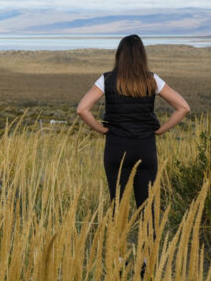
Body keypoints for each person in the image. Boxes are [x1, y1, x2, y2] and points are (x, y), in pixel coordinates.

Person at [76, 34, 190, 212]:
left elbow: (82, 109)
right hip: (145, 147)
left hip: (116, 147)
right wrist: (161, 130)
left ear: (119, 55)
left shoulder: (106, 79)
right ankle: (149, 239)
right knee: (148, 208)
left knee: (117, 207)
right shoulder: (152, 79)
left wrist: (102, 130)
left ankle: (118, 239)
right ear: (142, 56)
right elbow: (183, 107)